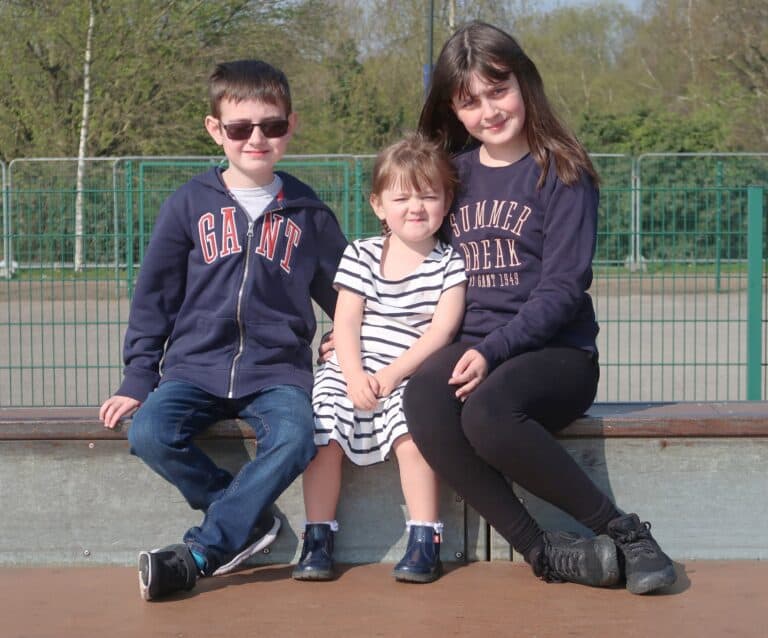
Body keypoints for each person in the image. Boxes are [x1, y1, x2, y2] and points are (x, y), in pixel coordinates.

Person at [402, 21, 677, 595]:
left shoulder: (563, 171)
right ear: (454, 109)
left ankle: (626, 533)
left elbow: (562, 290)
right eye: (469, 101)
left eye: (497, 91)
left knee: (485, 414)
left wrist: (491, 349)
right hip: (474, 347)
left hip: (556, 353)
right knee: (423, 395)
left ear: (524, 82)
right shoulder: (452, 174)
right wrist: (352, 329)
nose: (489, 110)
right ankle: (544, 550)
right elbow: (404, 250)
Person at [98, 59, 347, 601]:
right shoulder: (188, 204)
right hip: (195, 368)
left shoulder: (309, 213)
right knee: (148, 433)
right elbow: (154, 299)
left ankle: (204, 550)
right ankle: (249, 524)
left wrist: (344, 338)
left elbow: (346, 295)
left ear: (290, 125)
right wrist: (138, 378)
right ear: (216, 130)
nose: (256, 138)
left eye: (272, 126)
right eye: (240, 128)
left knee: (296, 436)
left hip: (276, 372)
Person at [292, 134, 467, 584]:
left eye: (429, 196)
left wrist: (391, 375)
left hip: (407, 371)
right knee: (323, 428)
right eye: (401, 197)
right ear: (378, 205)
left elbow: (441, 331)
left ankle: (425, 537)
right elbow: (346, 322)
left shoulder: (450, 263)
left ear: (446, 203)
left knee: (415, 433)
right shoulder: (361, 253)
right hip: (351, 367)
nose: (416, 207)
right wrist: (353, 375)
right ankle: (317, 536)